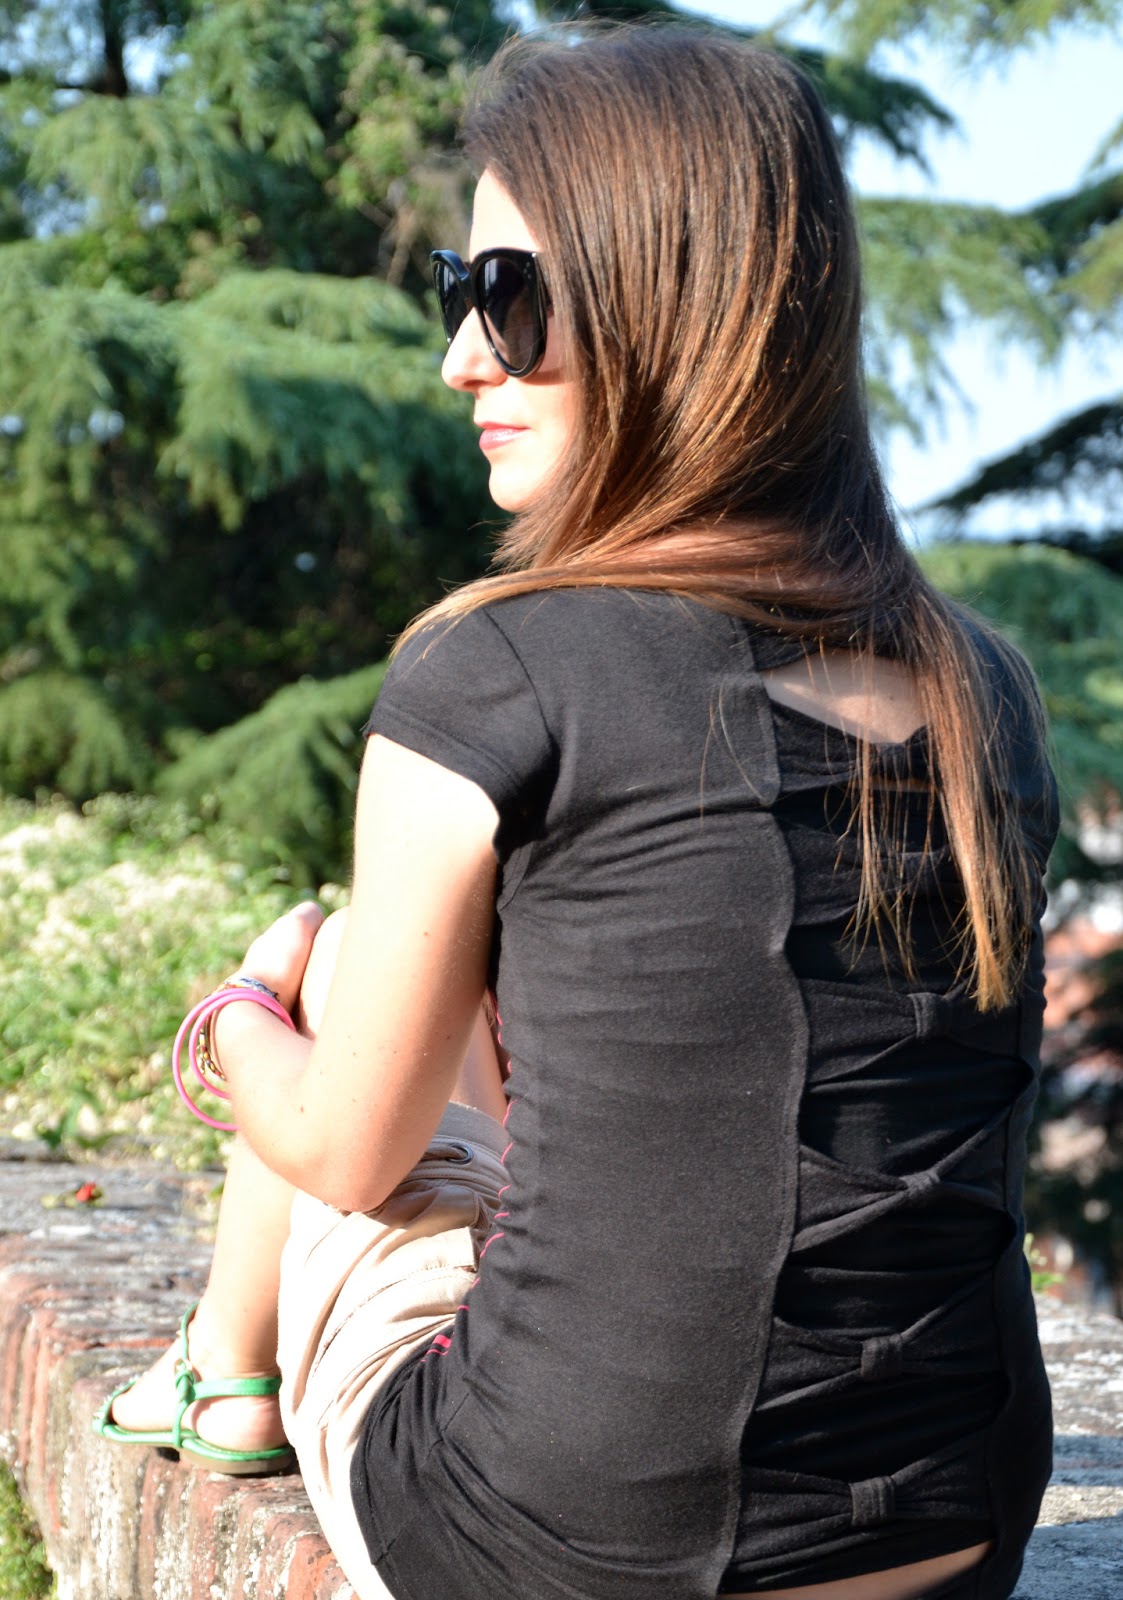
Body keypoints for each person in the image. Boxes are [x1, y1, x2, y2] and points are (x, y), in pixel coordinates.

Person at [93, 25, 1058, 1600]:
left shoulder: (499, 667)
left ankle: (223, 1370)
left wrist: (237, 1020)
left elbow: (344, 1149)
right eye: (458, 296)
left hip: (565, 1553)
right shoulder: (982, 688)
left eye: (510, 297)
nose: (463, 358)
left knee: (329, 972)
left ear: (668, 308)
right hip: (953, 1543)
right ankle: (217, 1366)